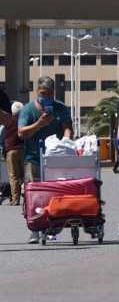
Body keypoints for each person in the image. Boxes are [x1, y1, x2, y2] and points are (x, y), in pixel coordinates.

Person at [18, 77, 73, 243]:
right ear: (37, 92)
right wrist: (39, 124)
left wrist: (66, 140)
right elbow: (21, 133)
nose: (46, 97)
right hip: (33, 159)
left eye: (49, 94)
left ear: (53, 93)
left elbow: (67, 128)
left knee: (53, 194)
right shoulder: (28, 110)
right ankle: (35, 229)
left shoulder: (61, 108)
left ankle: (51, 227)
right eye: (43, 94)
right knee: (34, 195)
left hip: (55, 160)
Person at [2, 101, 24, 206]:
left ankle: (15, 199)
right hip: (23, 150)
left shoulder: (8, 121)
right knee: (23, 175)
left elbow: (2, 136)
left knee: (13, 176)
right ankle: (27, 197)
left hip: (11, 150)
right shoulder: (24, 121)